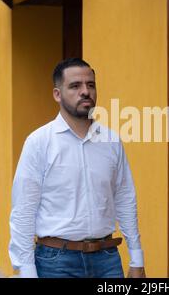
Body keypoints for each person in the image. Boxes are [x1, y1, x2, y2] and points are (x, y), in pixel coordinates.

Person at [9, 58, 145, 278]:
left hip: (107, 259)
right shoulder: (39, 142)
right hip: (56, 263)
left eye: (90, 84)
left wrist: (137, 258)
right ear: (57, 94)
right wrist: (26, 271)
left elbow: (125, 198)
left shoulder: (111, 141)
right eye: (75, 86)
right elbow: (23, 211)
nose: (85, 91)